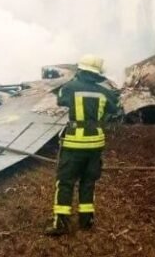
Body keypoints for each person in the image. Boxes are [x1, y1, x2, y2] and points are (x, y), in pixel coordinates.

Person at [45, 54, 120, 236]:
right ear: (97, 74)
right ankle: (86, 221)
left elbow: (60, 100)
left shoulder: (70, 87)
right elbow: (115, 107)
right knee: (88, 182)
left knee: (65, 182)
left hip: (74, 144)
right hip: (95, 145)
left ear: (80, 70)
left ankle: (61, 224)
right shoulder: (105, 92)